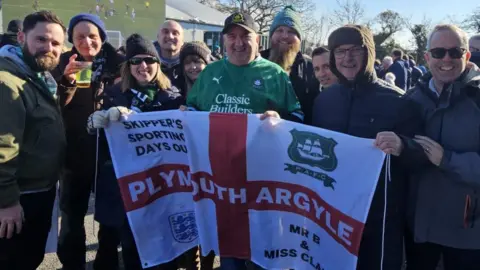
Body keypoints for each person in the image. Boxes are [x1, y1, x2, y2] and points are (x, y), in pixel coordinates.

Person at [186, 11, 304, 269]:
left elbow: (298, 117)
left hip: (262, 184)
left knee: (261, 255)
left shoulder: (274, 74)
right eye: (232, 36)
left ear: (258, 38)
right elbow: (192, 110)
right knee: (230, 256)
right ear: (224, 40)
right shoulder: (210, 73)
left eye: (245, 36)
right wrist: (188, 114)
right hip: (222, 184)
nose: (238, 42)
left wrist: (279, 119)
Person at [312, 24, 425, 270]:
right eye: (340, 51)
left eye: (356, 50)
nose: (347, 58)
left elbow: (422, 157)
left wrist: (403, 146)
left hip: (380, 219)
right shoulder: (324, 101)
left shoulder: (398, 101)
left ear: (369, 53)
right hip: (331, 213)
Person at [88, 33, 184, 270]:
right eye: (136, 61)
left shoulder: (173, 98)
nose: (143, 66)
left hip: (161, 187)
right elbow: (104, 145)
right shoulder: (113, 94)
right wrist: (94, 124)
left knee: (163, 250)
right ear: (128, 66)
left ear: (158, 64)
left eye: (149, 60)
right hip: (127, 187)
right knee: (130, 247)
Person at [52, 13, 125, 270]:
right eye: (80, 36)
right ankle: (72, 265)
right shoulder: (62, 62)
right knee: (71, 215)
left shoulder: (119, 62)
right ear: (71, 39)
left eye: (92, 36)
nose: (87, 42)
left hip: (109, 153)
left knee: (108, 214)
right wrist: (67, 81)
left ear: (102, 37)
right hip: (74, 153)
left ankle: (106, 262)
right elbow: (54, 108)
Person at [405, 24, 480, 270]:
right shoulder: (410, 98)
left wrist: (446, 159)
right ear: (426, 58)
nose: (446, 59)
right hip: (420, 228)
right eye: (438, 52)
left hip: (466, 231)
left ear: (466, 55)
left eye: (455, 52)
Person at [0, 10, 67, 269]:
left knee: (30, 258)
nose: (48, 48)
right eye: (41, 40)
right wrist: (6, 202)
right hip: (19, 198)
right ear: (21, 37)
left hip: (39, 191)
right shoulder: (7, 83)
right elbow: (3, 147)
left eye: (55, 43)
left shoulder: (36, 77)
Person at [260, 5, 319, 124]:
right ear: (271, 35)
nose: (284, 36)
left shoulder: (310, 67)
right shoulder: (257, 62)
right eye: (279, 30)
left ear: (299, 39)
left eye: (291, 31)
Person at [153, 20, 185, 92]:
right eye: (165, 32)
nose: (170, 36)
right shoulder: (147, 63)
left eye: (175, 33)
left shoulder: (190, 65)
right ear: (158, 37)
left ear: (182, 40)